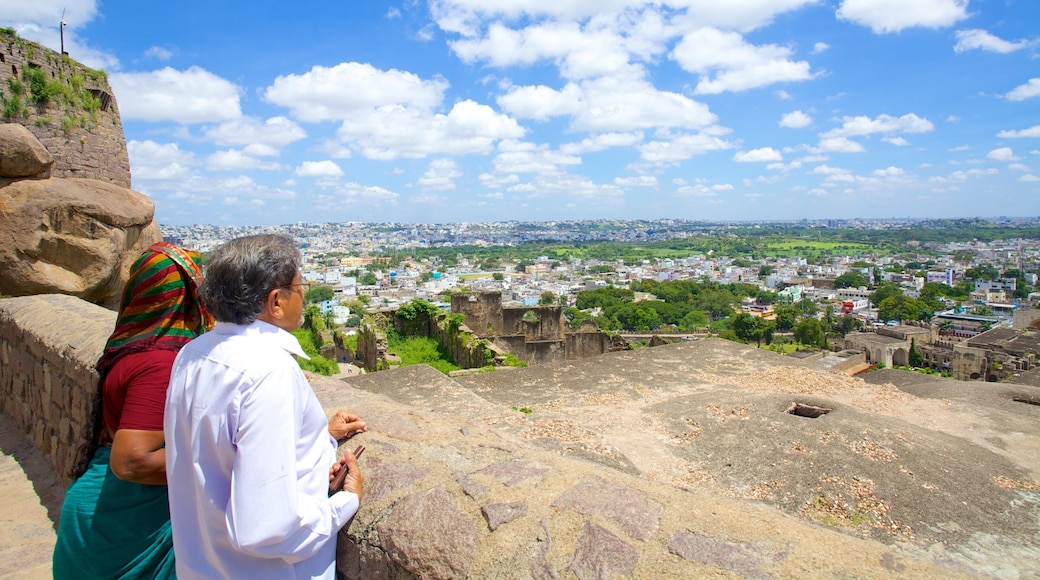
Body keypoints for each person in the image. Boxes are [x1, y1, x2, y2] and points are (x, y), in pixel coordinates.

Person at [164, 233, 365, 579]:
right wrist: (345, 504)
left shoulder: (192, 354)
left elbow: (221, 454)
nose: (302, 294)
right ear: (276, 302)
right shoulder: (267, 370)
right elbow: (266, 528)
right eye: (298, 285)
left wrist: (319, 439)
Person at [53, 242, 214, 579]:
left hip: (104, 520)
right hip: (126, 530)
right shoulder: (159, 363)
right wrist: (227, 461)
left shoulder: (134, 346)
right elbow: (132, 461)